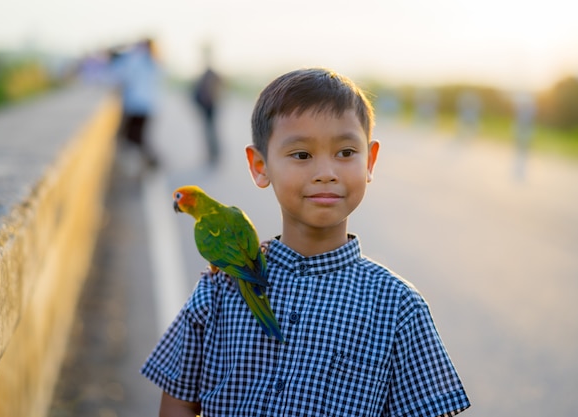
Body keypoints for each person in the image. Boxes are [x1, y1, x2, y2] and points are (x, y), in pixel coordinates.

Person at [141, 68, 471, 417]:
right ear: (259, 166)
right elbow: (177, 399)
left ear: (370, 161)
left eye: (345, 153)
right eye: (301, 155)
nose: (325, 171)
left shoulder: (397, 307)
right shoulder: (218, 289)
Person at [111, 37, 162, 168]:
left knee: (133, 137)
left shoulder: (136, 60)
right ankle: (151, 162)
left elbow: (121, 76)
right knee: (138, 137)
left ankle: (153, 161)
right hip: (148, 105)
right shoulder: (154, 60)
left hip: (136, 105)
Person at [192, 44, 223, 166]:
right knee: (210, 130)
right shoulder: (210, 75)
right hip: (208, 106)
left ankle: (214, 154)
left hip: (210, 106)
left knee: (210, 131)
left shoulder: (209, 75)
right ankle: (213, 154)